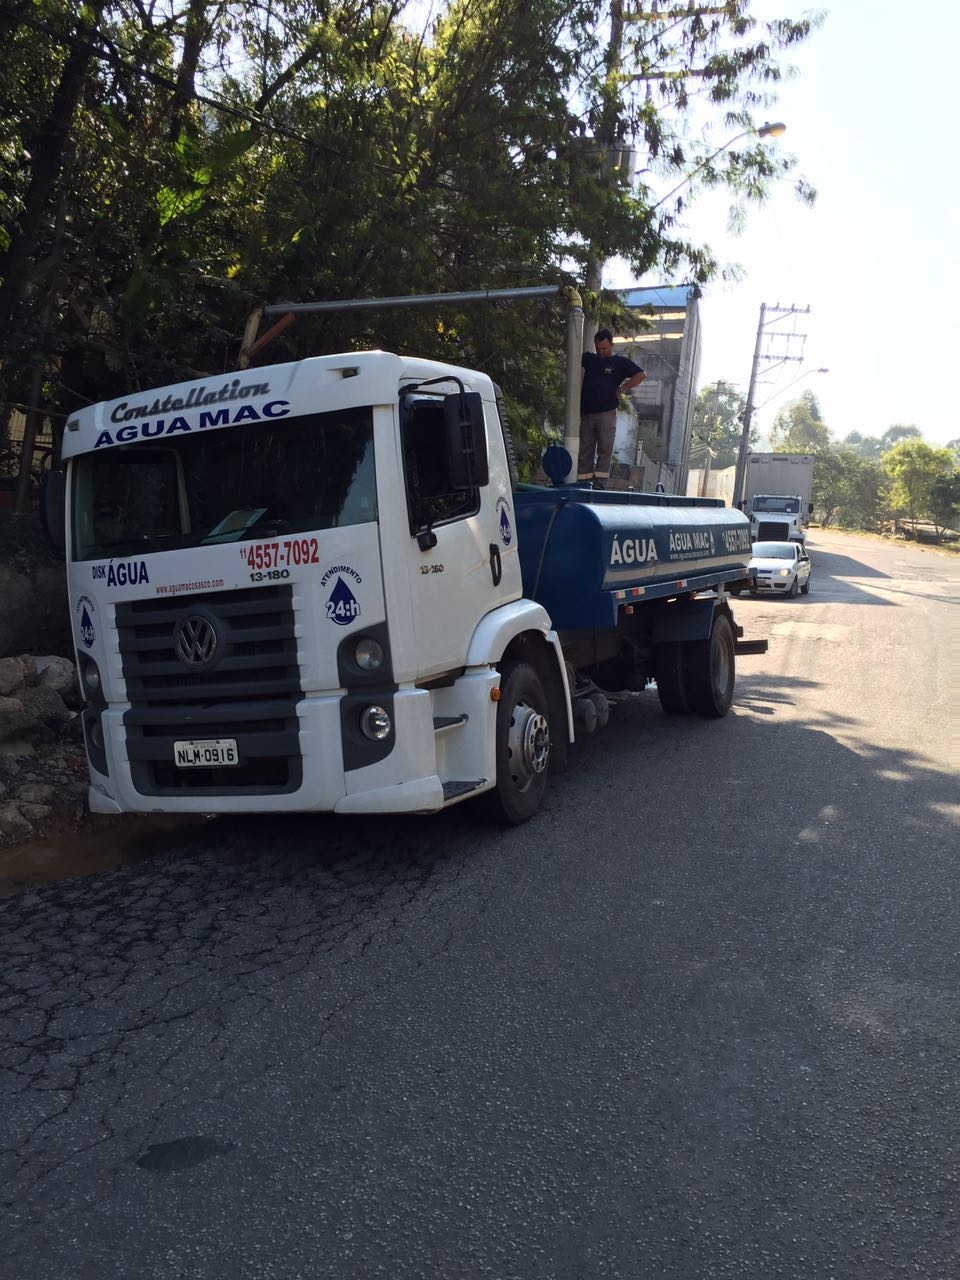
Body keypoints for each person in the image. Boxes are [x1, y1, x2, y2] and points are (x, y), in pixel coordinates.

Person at [578, 328, 646, 489]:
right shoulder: (590, 359)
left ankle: (599, 484)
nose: (601, 351)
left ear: (612, 345)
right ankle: (583, 482)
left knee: (604, 448)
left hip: (606, 413)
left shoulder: (620, 363)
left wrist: (622, 389)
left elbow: (641, 374)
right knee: (585, 450)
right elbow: (572, 355)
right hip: (587, 412)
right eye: (598, 348)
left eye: (604, 348)